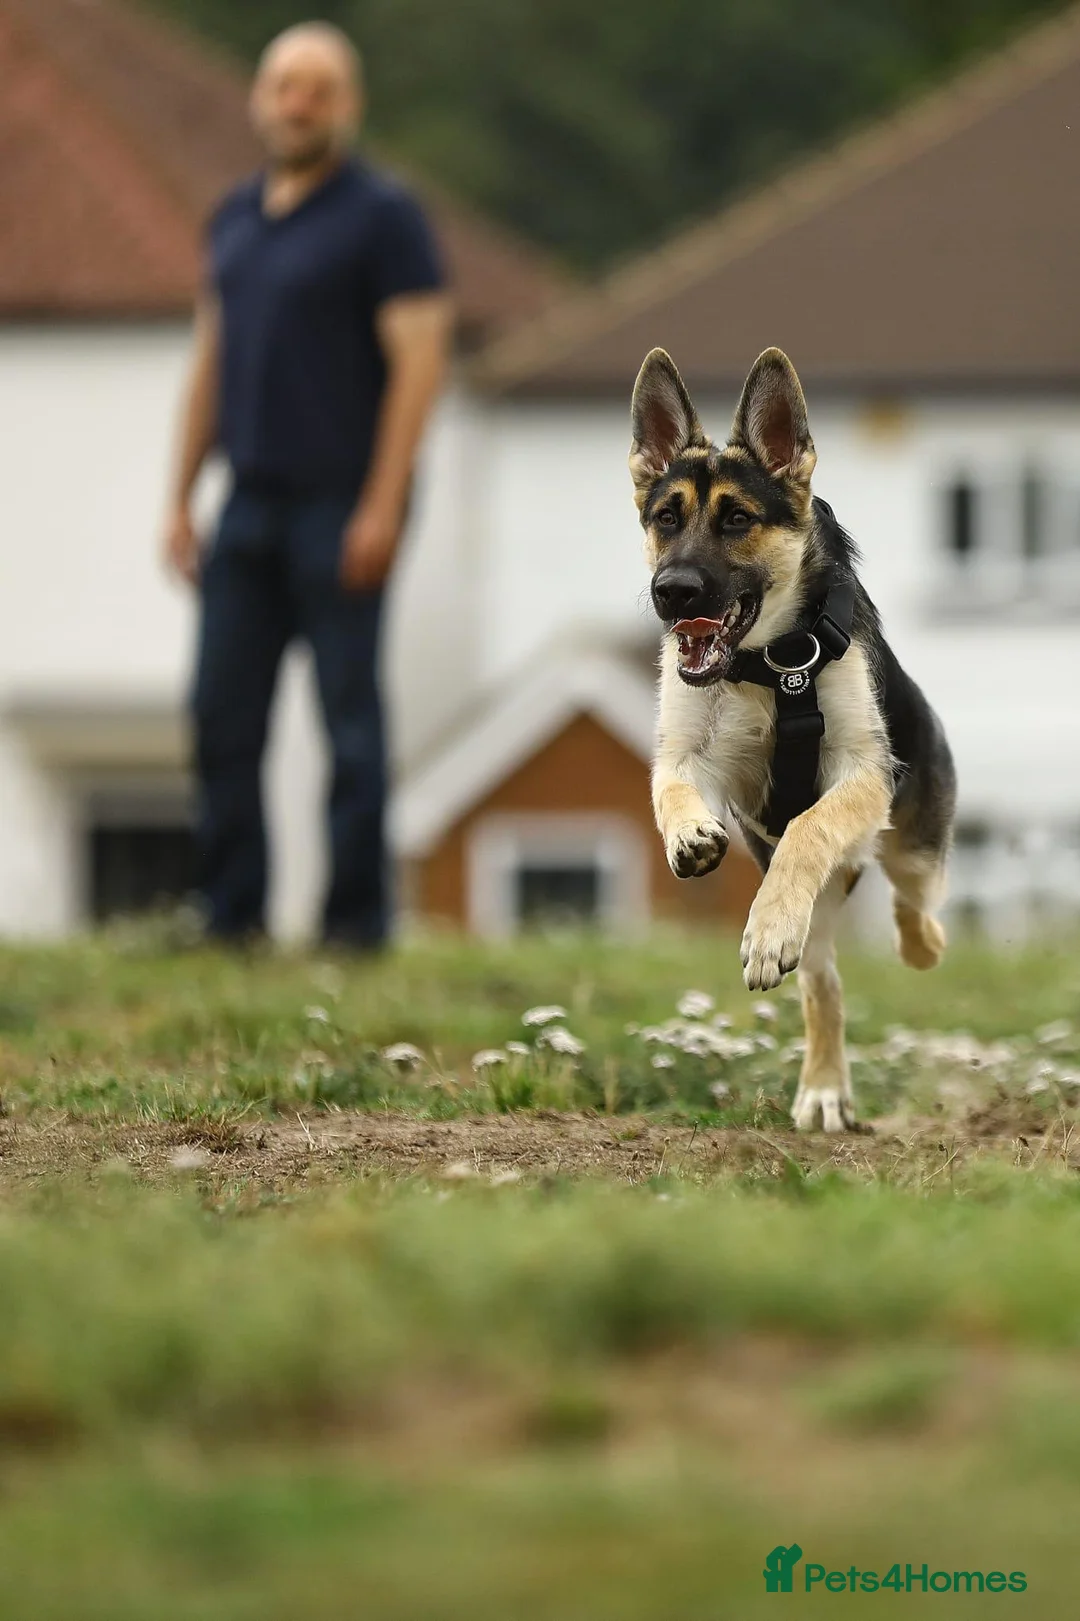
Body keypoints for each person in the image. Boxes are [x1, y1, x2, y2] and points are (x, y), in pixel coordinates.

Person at [162, 21, 452, 949]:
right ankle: (229, 916)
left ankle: (354, 927)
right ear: (259, 97)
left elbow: (419, 366)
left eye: (318, 88)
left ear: (349, 105)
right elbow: (212, 362)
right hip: (246, 502)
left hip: (342, 504)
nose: (298, 104)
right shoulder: (234, 219)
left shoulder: (384, 218)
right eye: (285, 85)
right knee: (220, 716)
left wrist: (382, 502)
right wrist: (178, 497)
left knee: (349, 726)